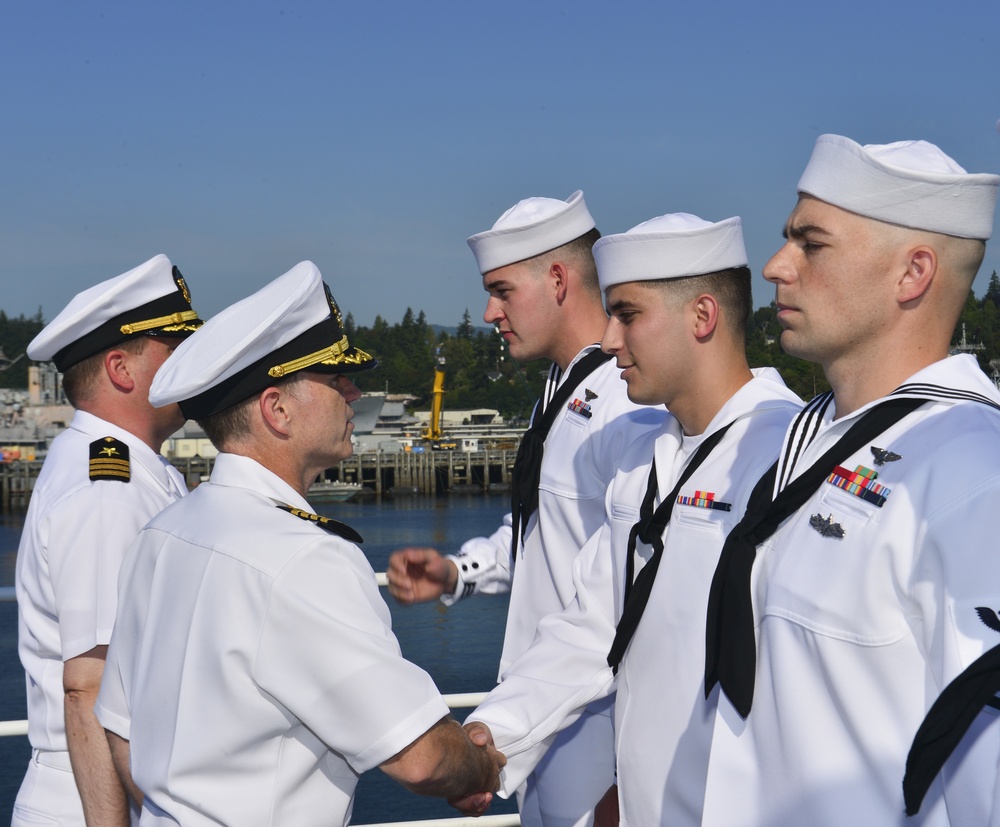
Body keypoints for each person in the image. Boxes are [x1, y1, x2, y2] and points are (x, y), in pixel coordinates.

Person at [94, 261, 504, 826]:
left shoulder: (160, 534)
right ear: (276, 409)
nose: (354, 393)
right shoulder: (304, 556)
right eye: (337, 380)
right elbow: (422, 757)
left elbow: (120, 729)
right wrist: (482, 768)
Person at [458, 213, 802, 825]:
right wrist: (490, 738)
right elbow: (593, 623)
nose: (609, 340)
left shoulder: (787, 461)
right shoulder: (646, 460)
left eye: (628, 315)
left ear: (702, 316)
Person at [700, 135, 1000, 825]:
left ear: (912, 273)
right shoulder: (809, 444)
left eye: (812, 243)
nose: (776, 266)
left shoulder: (976, 477)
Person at [387, 191, 663, 826]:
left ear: (559, 280)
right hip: (551, 724)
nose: (489, 312)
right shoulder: (564, 390)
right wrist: (462, 571)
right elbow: (548, 534)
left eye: (503, 291)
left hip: (599, 729)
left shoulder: (629, 405)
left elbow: (623, 593)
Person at [13, 255, 203, 827]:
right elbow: (89, 688)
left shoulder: (135, 470)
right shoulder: (108, 490)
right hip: (97, 799)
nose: (197, 362)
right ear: (122, 370)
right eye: (177, 348)